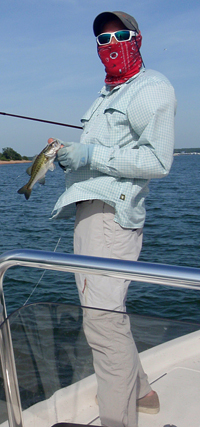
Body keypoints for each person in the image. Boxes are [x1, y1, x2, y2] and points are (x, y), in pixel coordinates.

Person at [49, 10, 176, 427]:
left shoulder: (150, 88)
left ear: (138, 39)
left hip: (109, 218)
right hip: (91, 216)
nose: (112, 44)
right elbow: (107, 155)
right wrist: (74, 156)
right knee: (108, 314)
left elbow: (158, 161)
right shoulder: (108, 92)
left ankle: (118, 421)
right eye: (103, 40)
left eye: (121, 35)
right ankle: (144, 393)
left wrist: (92, 154)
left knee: (102, 322)